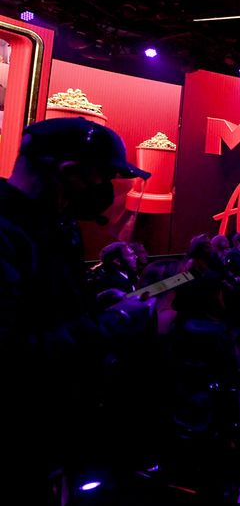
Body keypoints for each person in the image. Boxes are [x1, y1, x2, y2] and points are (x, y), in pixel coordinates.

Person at [0, 118, 154, 502]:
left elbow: (46, 312)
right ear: (67, 174)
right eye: (101, 178)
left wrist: (93, 308)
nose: (105, 191)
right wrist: (113, 323)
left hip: (50, 434)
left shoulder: (52, 225)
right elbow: (13, 352)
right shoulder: (6, 232)